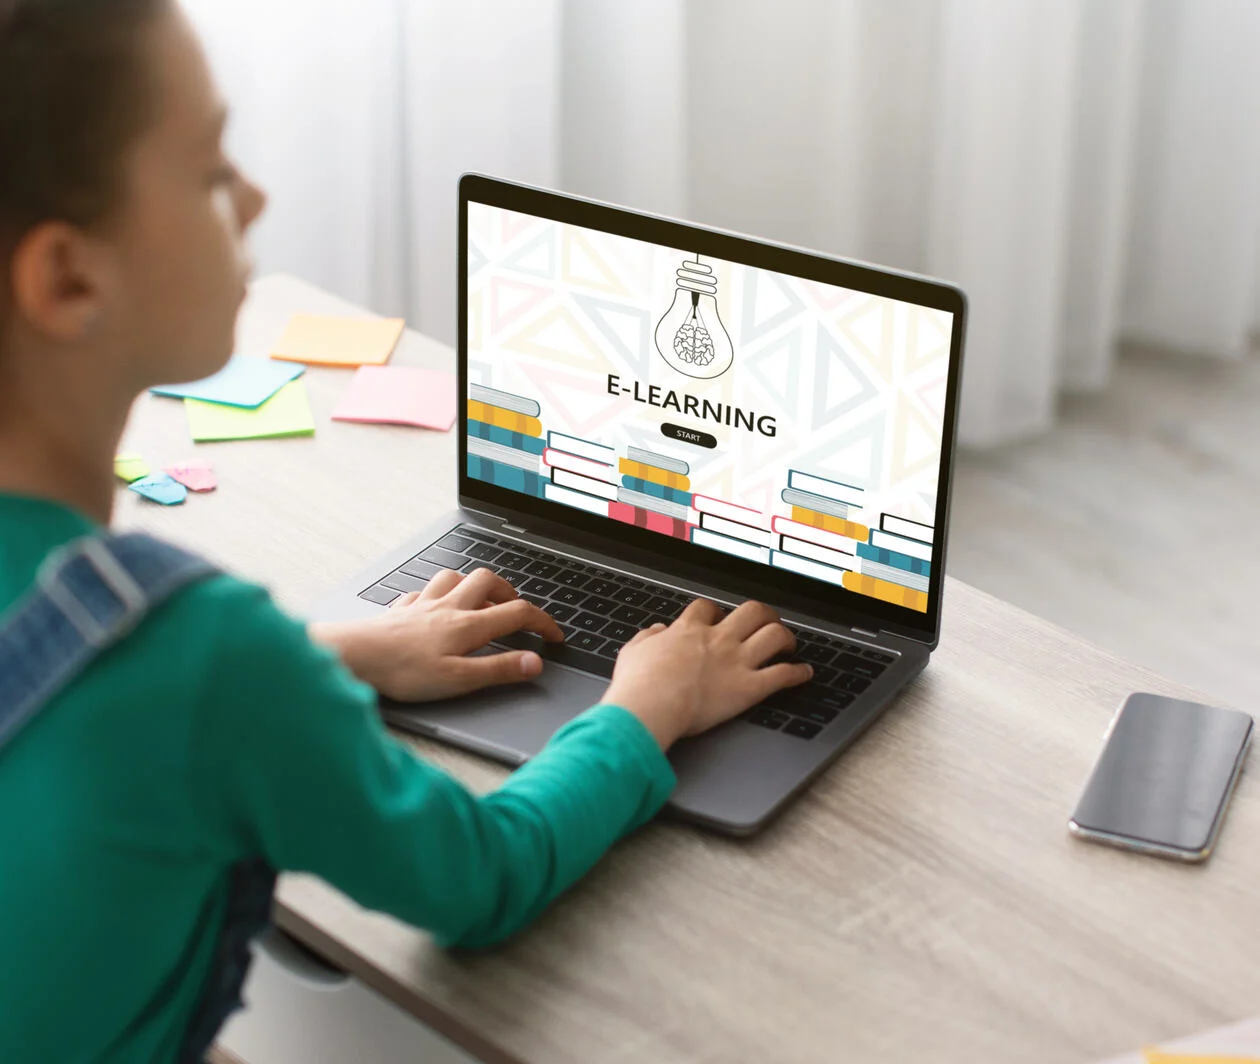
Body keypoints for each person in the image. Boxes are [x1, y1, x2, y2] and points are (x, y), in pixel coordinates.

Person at [0, 1, 814, 1060]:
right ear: (67, 276)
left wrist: (324, 654)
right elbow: (477, 874)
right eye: (209, 171)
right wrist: (645, 704)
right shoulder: (203, 656)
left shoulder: (197, 663)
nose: (256, 196)